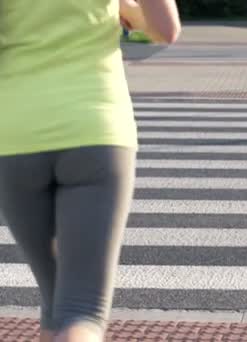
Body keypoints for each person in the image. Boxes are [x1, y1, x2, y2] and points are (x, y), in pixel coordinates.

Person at [0, 1, 180, 341]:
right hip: (97, 129)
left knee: (55, 302)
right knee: (82, 311)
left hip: (13, 134)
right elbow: (165, 30)